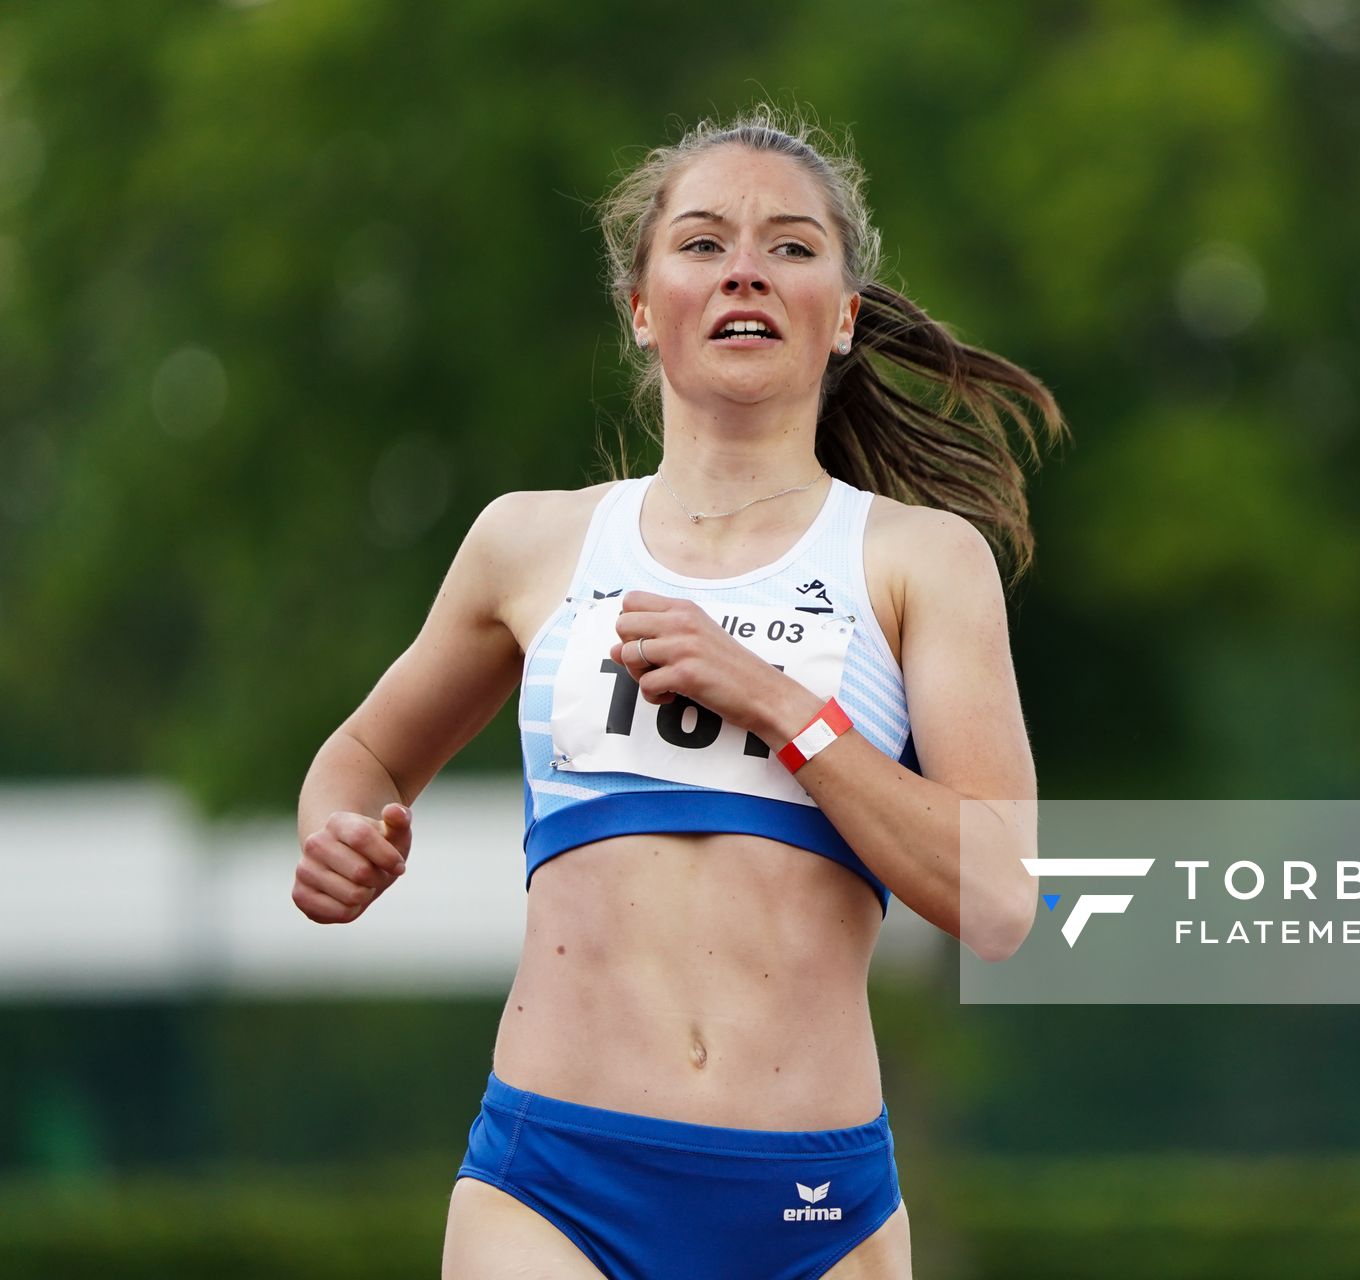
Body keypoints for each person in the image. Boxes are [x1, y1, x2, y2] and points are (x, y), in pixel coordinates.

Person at [291, 104, 1065, 1280]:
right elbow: (362, 758)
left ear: (842, 313)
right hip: (551, 1185)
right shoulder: (529, 546)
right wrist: (337, 834)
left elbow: (1003, 898)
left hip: (815, 1206)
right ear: (643, 309)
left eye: (792, 246)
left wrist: (782, 705)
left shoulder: (920, 559)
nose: (746, 267)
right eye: (703, 243)